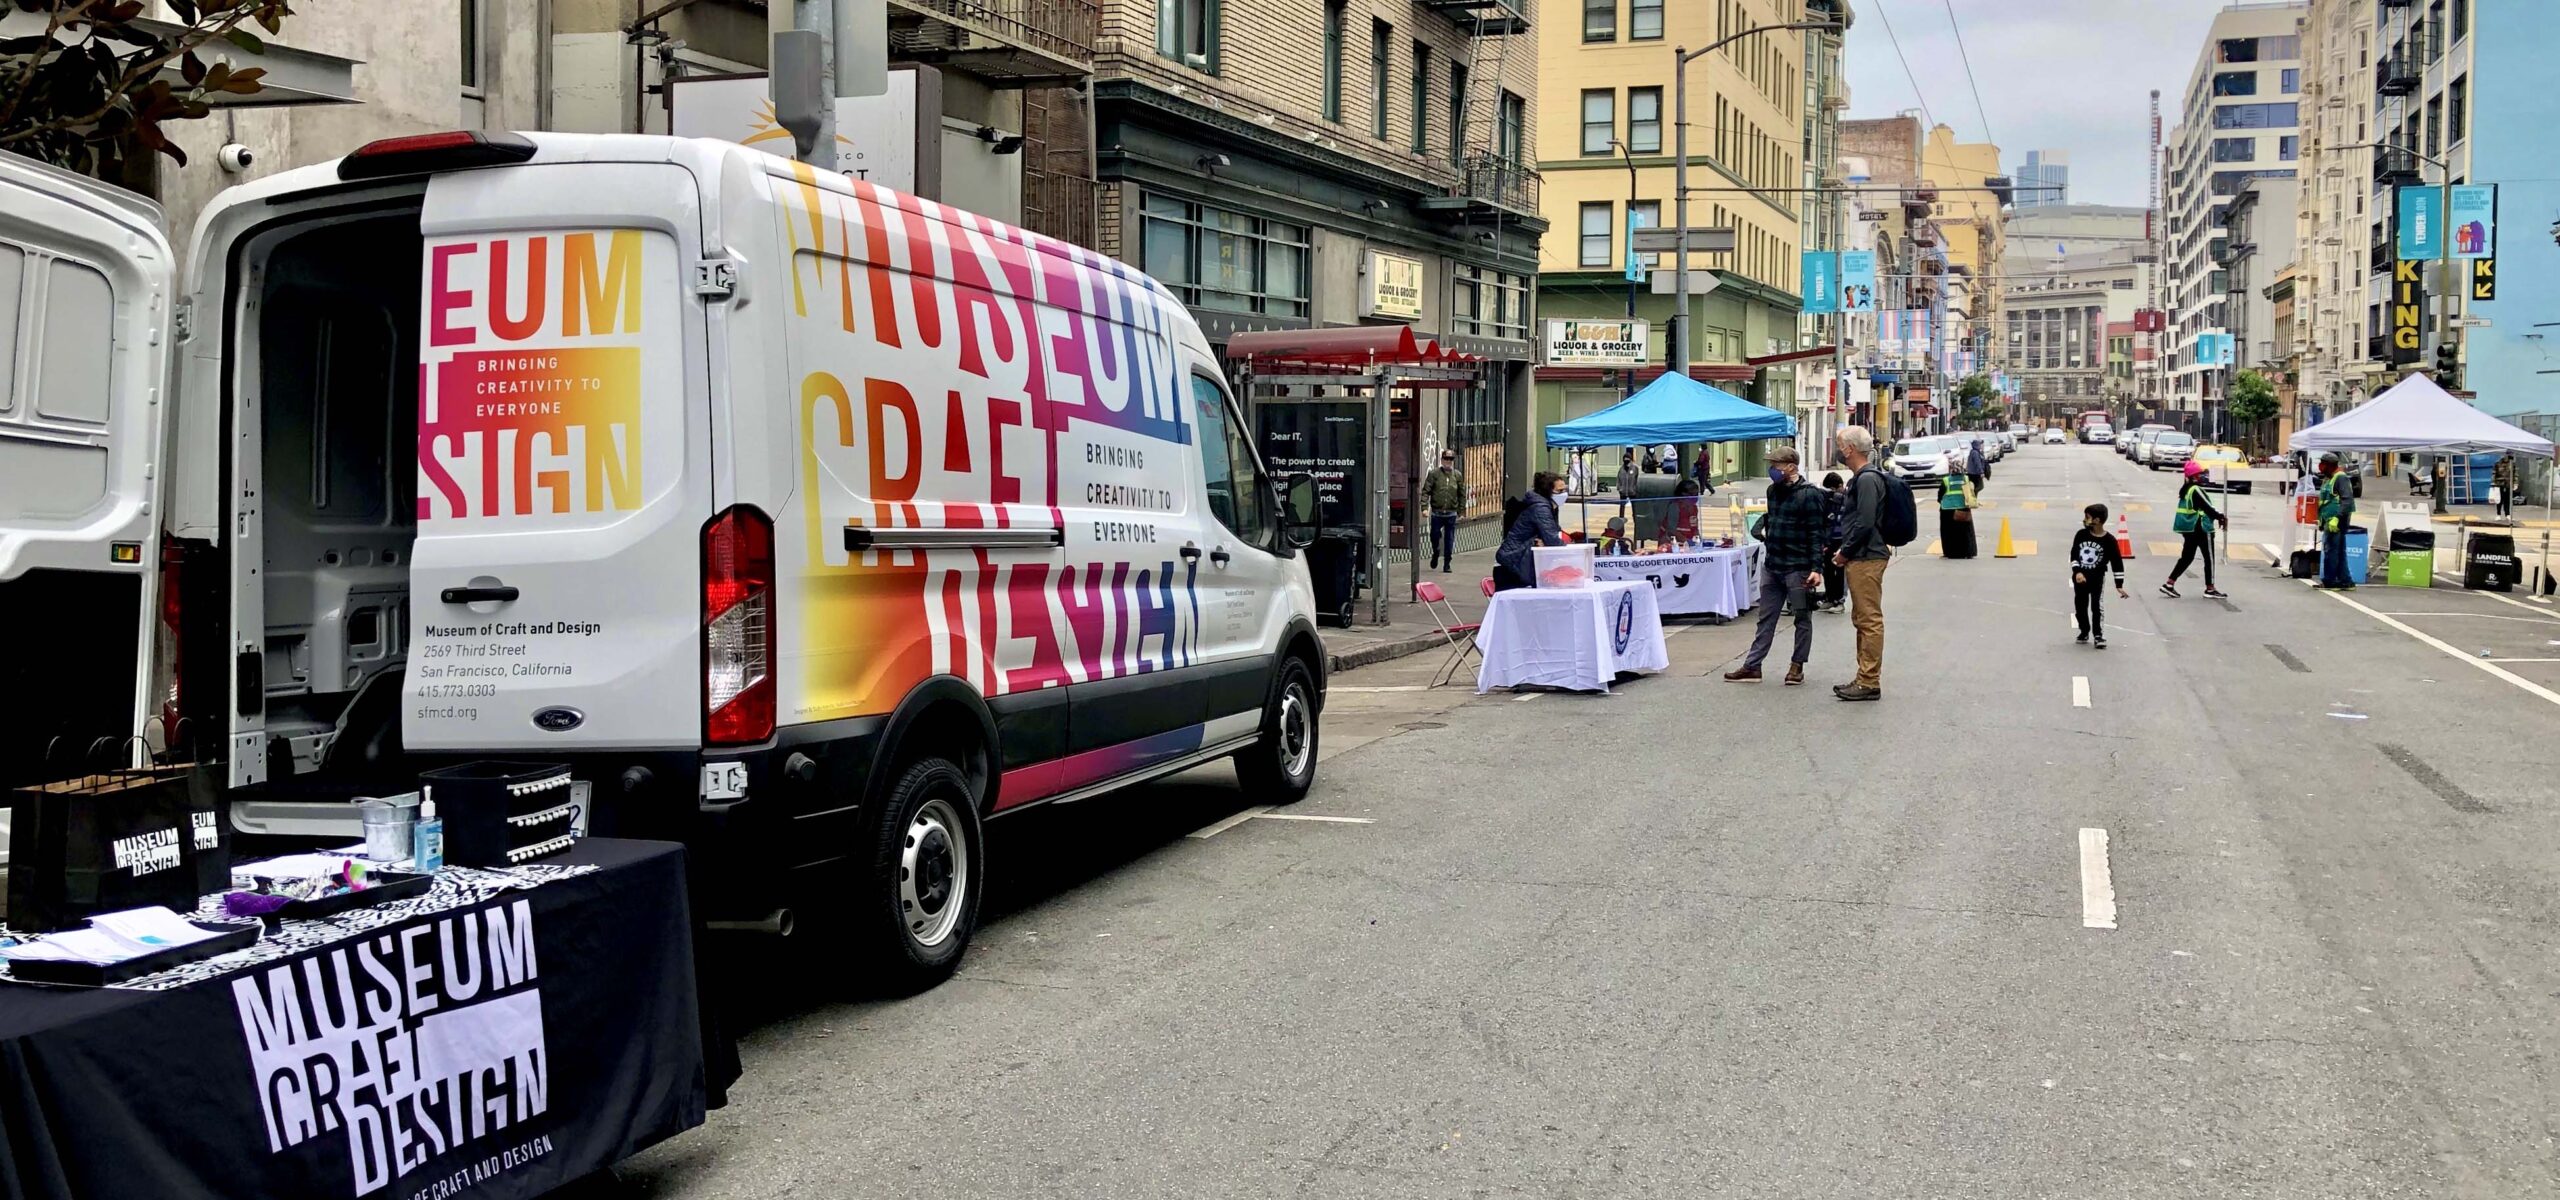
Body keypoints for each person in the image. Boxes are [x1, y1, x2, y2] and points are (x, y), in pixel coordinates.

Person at [1724, 448, 1828, 685]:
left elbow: (1816, 533)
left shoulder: (1809, 494)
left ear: (1791, 466)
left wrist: (1816, 568)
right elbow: (1771, 521)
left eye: (1776, 464)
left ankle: (1797, 666)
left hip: (1798, 566)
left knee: (1802, 617)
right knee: (1765, 617)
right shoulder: (1773, 491)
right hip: (1773, 564)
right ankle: (1753, 666)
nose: (1772, 469)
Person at [1832, 426, 1891, 701]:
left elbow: (1865, 521)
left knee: (1868, 619)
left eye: (1840, 445)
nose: (1838, 449)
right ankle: (1864, 676)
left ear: (1850, 449)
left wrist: (1845, 551)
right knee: (1862, 618)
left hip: (1867, 555)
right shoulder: (1864, 477)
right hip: (1863, 554)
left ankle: (1869, 680)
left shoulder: (1867, 479)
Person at [2161, 459, 2228, 598]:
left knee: (2187, 557)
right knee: (2209, 558)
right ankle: (2210, 588)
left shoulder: (2185, 490)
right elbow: (2206, 507)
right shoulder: (2195, 490)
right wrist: (2220, 517)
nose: (2202, 476)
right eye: (2199, 474)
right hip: (2202, 528)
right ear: (2193, 476)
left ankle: (2169, 583)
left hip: (2190, 529)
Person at [2069, 503, 2130, 649]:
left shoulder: (2109, 540)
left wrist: (2119, 585)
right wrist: (2077, 571)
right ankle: (2084, 630)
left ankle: (2098, 634)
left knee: (2097, 606)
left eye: (2087, 517)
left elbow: (2117, 562)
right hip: (2080, 578)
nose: (2085, 520)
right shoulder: (2081, 535)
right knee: (2081, 606)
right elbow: (2074, 554)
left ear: (2097, 520)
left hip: (2097, 578)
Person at [1494, 471, 1567, 591]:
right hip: (1513, 565)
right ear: (1547, 492)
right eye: (1560, 491)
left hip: (1517, 563)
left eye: (1565, 490)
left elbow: (1548, 536)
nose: (1564, 494)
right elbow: (1553, 539)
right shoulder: (1540, 508)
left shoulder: (1545, 506)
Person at [2316, 453, 2358, 589]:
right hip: (2329, 520)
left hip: (2336, 522)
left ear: (2329, 465)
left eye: (2323, 464)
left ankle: (2330, 581)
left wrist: (2336, 518)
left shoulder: (2341, 478)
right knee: (2338, 552)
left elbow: (2348, 501)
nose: (2320, 467)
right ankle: (2346, 581)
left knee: (2331, 552)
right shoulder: (2329, 479)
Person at [1422, 450, 1464, 573]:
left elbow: (1461, 494)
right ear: (1441, 460)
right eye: (1446, 459)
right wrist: (1424, 507)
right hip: (1437, 511)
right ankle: (1436, 551)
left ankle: (1447, 563)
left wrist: (1461, 511)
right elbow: (1426, 491)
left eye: (1450, 459)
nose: (1448, 462)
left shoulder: (1457, 475)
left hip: (1451, 512)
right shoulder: (1434, 474)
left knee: (1449, 538)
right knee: (1434, 535)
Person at [1818, 471, 1849, 613]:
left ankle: (1840, 601)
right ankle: (1830, 598)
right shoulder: (1827, 502)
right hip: (1829, 540)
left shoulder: (1848, 500)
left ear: (1840, 486)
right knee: (1828, 570)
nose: (1832, 494)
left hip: (1842, 540)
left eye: (1834, 490)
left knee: (1840, 572)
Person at [1937, 456, 1979, 559]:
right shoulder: (1966, 479)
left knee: (1948, 533)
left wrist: (1940, 501)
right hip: (1963, 508)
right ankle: (1968, 552)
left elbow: (1940, 494)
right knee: (1965, 532)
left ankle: (1950, 552)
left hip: (1947, 510)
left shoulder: (1946, 480)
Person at [2494, 453, 2518, 519]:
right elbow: (2494, 474)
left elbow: (2515, 473)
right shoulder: (2497, 463)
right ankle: (2498, 514)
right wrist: (2493, 484)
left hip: (2508, 484)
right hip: (2499, 484)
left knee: (2507, 500)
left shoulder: (2512, 464)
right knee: (2499, 500)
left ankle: (2507, 514)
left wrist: (2515, 483)